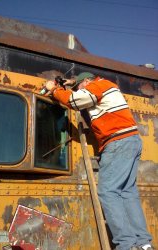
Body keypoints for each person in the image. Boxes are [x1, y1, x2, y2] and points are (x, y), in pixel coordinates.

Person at [45, 72, 153, 250]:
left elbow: (75, 101)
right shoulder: (107, 86)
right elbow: (81, 90)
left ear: (87, 82)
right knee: (127, 192)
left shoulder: (97, 85)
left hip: (117, 141)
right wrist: (72, 82)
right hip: (131, 141)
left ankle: (126, 244)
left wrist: (55, 90)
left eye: (79, 87)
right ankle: (143, 243)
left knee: (108, 191)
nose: (78, 90)